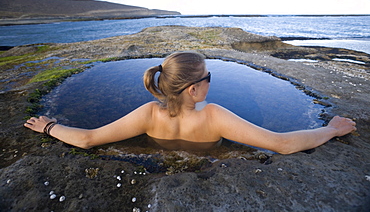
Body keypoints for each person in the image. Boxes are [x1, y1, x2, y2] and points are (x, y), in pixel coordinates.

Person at [24, 51, 357, 153]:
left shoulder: (148, 114)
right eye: (208, 77)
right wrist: (330, 129)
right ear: (193, 90)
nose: (211, 81)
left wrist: (49, 126)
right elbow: (280, 144)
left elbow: (88, 138)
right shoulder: (213, 116)